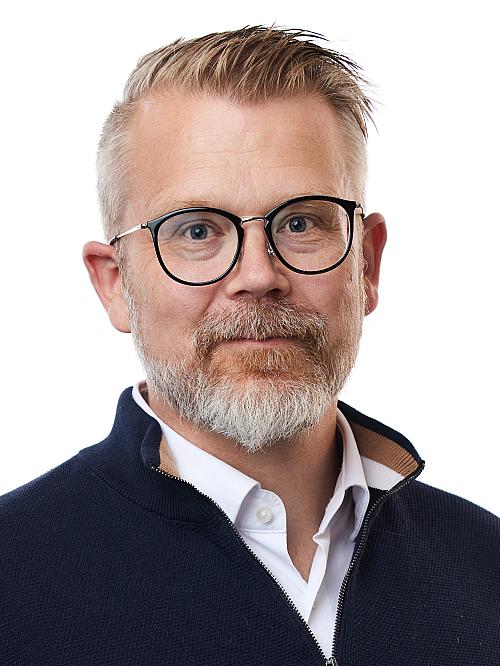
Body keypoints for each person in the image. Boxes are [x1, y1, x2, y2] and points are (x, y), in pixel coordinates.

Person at [1, 26, 498, 666]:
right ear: (114, 284)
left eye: (301, 222)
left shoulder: (485, 566)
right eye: (197, 231)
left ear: (367, 265)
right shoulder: (13, 580)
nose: (259, 276)